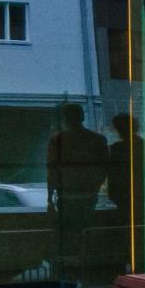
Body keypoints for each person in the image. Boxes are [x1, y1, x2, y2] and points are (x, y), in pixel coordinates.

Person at [46, 103, 109, 278]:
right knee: (86, 235)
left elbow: (52, 171)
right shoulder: (97, 140)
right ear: (82, 117)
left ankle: (69, 277)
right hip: (89, 196)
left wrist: (49, 199)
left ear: (64, 119)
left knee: (68, 239)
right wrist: (94, 186)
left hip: (67, 197)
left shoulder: (57, 141)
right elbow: (104, 169)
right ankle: (87, 274)